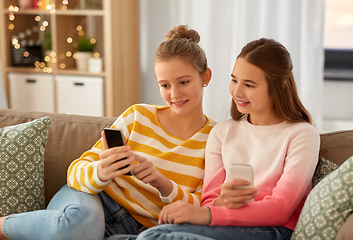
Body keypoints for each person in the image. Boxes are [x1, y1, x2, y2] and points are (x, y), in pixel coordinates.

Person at [0, 25, 216, 240]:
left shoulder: (216, 139)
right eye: (165, 85)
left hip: (144, 230)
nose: (174, 94)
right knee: (74, 228)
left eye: (184, 82)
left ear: (205, 77)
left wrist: (162, 182)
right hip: (93, 202)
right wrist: (102, 171)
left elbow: (202, 210)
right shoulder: (137, 116)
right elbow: (75, 172)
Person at [135, 38, 321, 240]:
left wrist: (208, 214)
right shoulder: (223, 133)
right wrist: (222, 202)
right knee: (153, 235)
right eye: (234, 80)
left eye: (249, 85)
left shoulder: (302, 134)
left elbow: (281, 209)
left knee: (154, 237)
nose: (237, 92)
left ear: (280, 85)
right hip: (226, 224)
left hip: (273, 230)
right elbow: (210, 202)